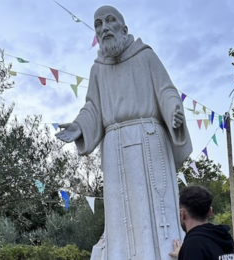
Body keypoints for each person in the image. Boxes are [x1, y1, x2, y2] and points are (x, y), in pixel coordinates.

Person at [56, 5, 192, 259]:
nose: (104, 27)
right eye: (98, 24)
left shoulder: (146, 56)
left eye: (110, 21)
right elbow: (92, 108)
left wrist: (174, 109)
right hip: (115, 147)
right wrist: (79, 126)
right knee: (120, 214)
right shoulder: (97, 69)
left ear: (123, 27)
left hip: (150, 140)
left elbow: (166, 90)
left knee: (157, 209)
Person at [169, 186, 234, 260]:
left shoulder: (193, 245)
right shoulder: (223, 239)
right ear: (210, 212)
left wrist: (187, 254)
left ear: (182, 214)